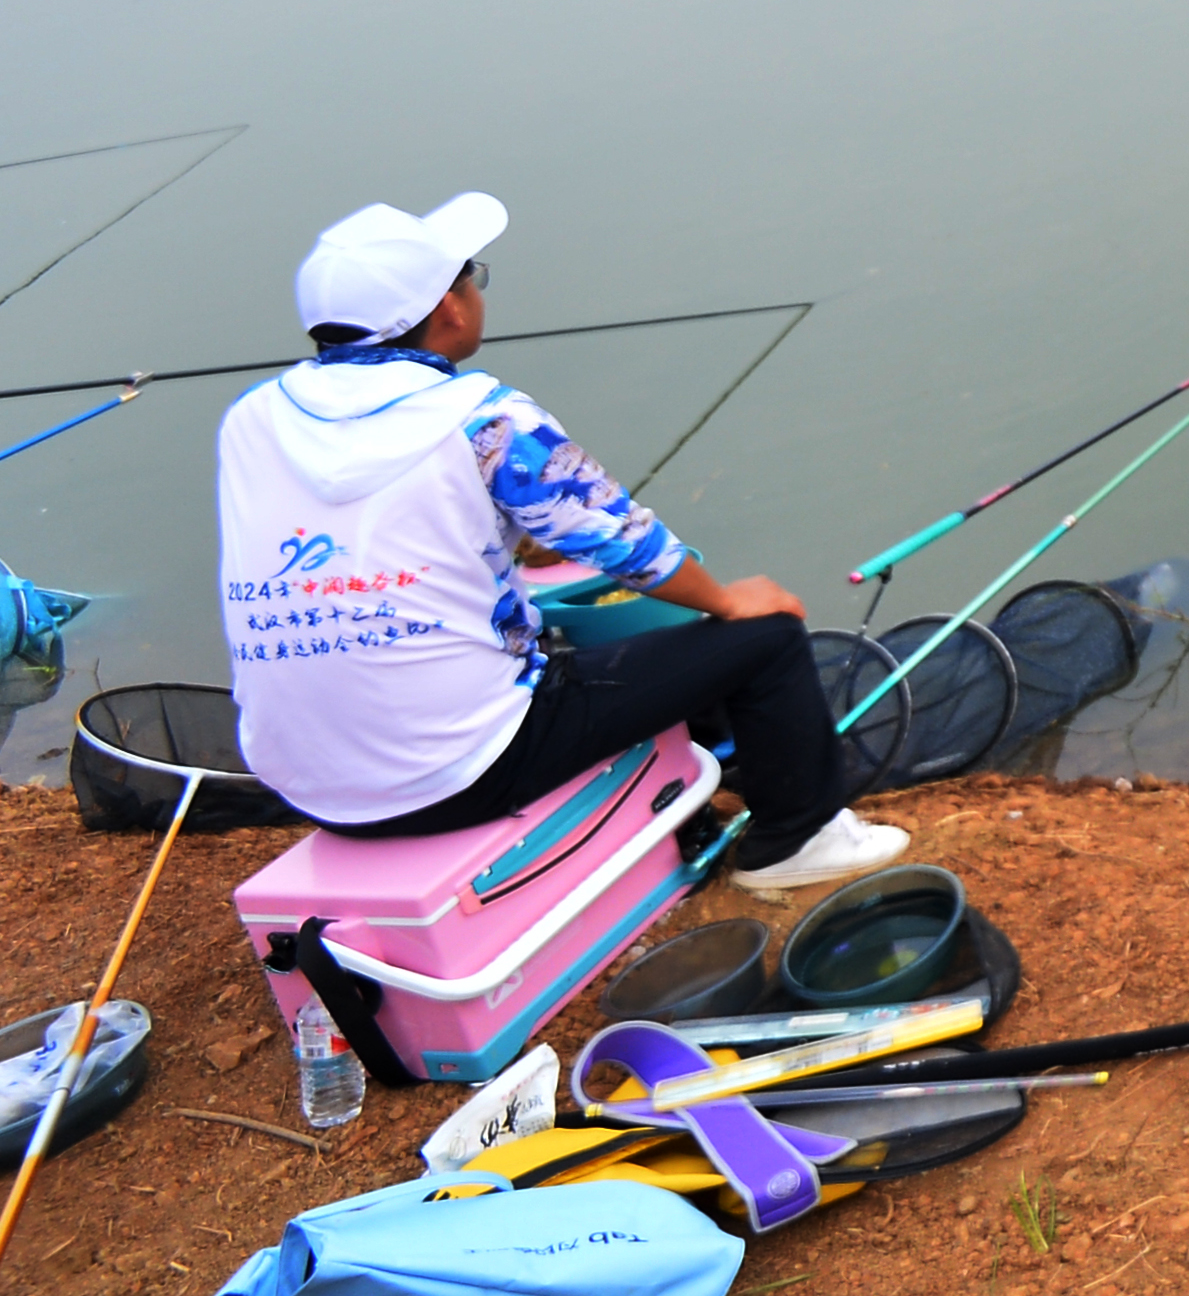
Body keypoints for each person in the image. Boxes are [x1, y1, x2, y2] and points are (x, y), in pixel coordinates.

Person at [214, 193, 905, 897]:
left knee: (570, 630)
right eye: (469, 277)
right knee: (765, 636)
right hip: (459, 772)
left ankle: (696, 786)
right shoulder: (486, 418)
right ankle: (797, 839)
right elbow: (635, 550)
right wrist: (728, 599)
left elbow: (364, 539)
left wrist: (510, 540)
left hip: (308, 781)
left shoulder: (250, 419)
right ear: (449, 308)